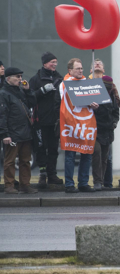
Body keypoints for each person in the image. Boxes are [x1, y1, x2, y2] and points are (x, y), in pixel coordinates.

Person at [59, 59, 100, 193]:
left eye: (81, 68)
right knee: (70, 155)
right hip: (71, 124)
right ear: (70, 70)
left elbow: (92, 100)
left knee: (87, 154)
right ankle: (69, 184)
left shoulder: (88, 84)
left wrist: (95, 104)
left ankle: (83, 183)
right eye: (77, 69)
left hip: (87, 124)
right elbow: (67, 98)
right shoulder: (65, 84)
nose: (81, 71)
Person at [0, 67, 37, 194]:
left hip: (25, 132)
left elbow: (32, 103)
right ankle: (9, 185)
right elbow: (2, 115)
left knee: (25, 160)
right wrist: (4, 134)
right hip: (13, 133)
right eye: (17, 76)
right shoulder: (3, 94)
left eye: (21, 76)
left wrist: (28, 91)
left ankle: (25, 185)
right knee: (10, 161)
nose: (20, 79)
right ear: (8, 78)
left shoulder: (20, 91)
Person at [29, 52, 63, 188]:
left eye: (55, 61)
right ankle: (42, 175)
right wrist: (42, 90)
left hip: (55, 121)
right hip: (40, 121)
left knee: (54, 148)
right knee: (41, 148)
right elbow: (29, 98)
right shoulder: (36, 79)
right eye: (51, 62)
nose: (54, 64)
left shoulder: (60, 78)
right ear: (44, 64)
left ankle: (52, 174)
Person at [92, 69, 119, 190]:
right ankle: (97, 180)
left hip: (108, 131)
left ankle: (101, 180)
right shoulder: (94, 96)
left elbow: (116, 112)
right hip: (96, 130)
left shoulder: (114, 97)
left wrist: (114, 123)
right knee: (97, 153)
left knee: (104, 157)